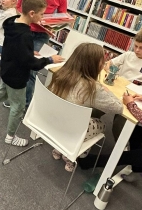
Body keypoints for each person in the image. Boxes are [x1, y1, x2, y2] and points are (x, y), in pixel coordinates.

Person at [0, 0, 65, 147]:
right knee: (18, 107)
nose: (43, 18)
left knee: (0, 93)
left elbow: (17, 49)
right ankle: (10, 137)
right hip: (17, 76)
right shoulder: (25, 35)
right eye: (42, 14)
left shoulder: (11, 21)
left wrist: (28, 51)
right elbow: (31, 64)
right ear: (32, 13)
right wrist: (50, 59)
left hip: (7, 69)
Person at [48, 43, 123, 171]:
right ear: (95, 65)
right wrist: (107, 90)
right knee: (102, 125)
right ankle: (72, 155)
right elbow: (118, 108)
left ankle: (59, 148)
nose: (104, 64)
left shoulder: (61, 73)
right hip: (72, 129)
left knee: (86, 112)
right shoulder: (92, 88)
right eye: (102, 61)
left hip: (52, 121)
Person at [17, 0, 68, 108]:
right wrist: (31, 19)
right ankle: (16, 99)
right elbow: (19, 7)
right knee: (19, 65)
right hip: (26, 31)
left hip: (42, 34)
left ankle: (25, 105)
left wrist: (57, 23)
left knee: (31, 68)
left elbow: (62, 15)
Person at [104, 28, 142, 140]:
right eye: (135, 46)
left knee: (118, 126)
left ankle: (123, 147)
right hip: (117, 89)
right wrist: (109, 70)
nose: (137, 50)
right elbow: (109, 63)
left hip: (133, 97)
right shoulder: (128, 55)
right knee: (95, 108)